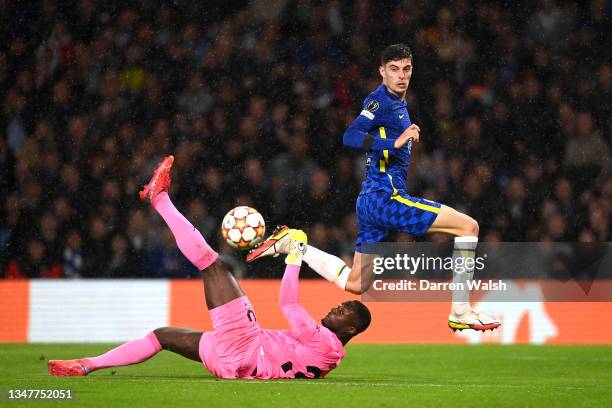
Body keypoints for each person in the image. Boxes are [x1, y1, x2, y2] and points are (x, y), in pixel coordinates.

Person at [248, 44, 500, 332]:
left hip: (369, 202)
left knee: (355, 284)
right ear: (382, 71)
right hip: (385, 198)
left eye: (406, 69)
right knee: (468, 227)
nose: (401, 76)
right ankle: (461, 310)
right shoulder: (380, 103)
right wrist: (391, 143)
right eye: (393, 69)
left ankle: (294, 245)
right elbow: (350, 135)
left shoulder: (399, 104)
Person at [48, 156, 370, 379]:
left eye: (343, 312)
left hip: (246, 346)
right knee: (162, 337)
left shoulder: (323, 340)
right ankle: (87, 365)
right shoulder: (331, 356)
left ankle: (158, 197)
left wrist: (295, 256)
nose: (336, 308)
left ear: (351, 330)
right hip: (234, 365)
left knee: (214, 267)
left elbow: (287, 302)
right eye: (341, 304)